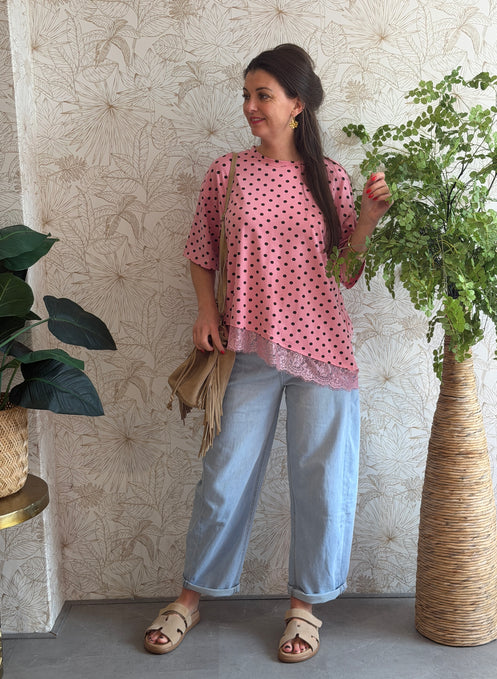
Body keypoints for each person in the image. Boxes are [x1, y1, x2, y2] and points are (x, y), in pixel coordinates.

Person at [144, 43, 392, 663]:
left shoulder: (330, 177)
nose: (251, 106)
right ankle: (190, 597)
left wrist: (366, 219)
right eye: (247, 95)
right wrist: (206, 311)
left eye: (263, 95)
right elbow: (201, 250)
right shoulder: (226, 173)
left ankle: (304, 607)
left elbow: (346, 272)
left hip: (322, 352)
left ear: (297, 104)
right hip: (246, 349)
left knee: (321, 483)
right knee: (224, 477)